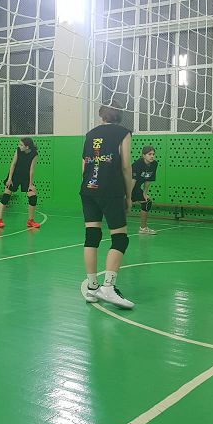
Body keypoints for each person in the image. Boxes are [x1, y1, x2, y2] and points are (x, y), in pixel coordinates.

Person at [80, 104, 134, 309]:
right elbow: (126, 165)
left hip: (88, 189)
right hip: (111, 190)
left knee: (91, 236)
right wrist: (129, 195)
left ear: (101, 116)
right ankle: (109, 288)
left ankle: (92, 288)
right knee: (120, 238)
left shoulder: (90, 134)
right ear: (119, 116)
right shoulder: (123, 133)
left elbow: (84, 166)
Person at [0, 137, 41, 230]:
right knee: (6, 196)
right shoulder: (18, 151)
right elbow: (13, 164)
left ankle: (30, 221)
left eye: (21, 145)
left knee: (33, 196)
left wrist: (30, 184)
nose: (19, 146)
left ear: (27, 147)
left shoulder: (34, 154)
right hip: (14, 175)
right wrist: (9, 178)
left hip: (25, 177)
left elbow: (31, 170)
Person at [131, 145, 158, 234]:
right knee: (122, 205)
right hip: (125, 186)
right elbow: (132, 181)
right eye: (149, 154)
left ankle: (143, 228)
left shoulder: (154, 164)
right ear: (143, 155)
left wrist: (145, 193)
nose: (152, 156)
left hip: (136, 188)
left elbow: (148, 179)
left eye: (153, 154)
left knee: (147, 202)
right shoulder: (137, 164)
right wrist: (128, 196)